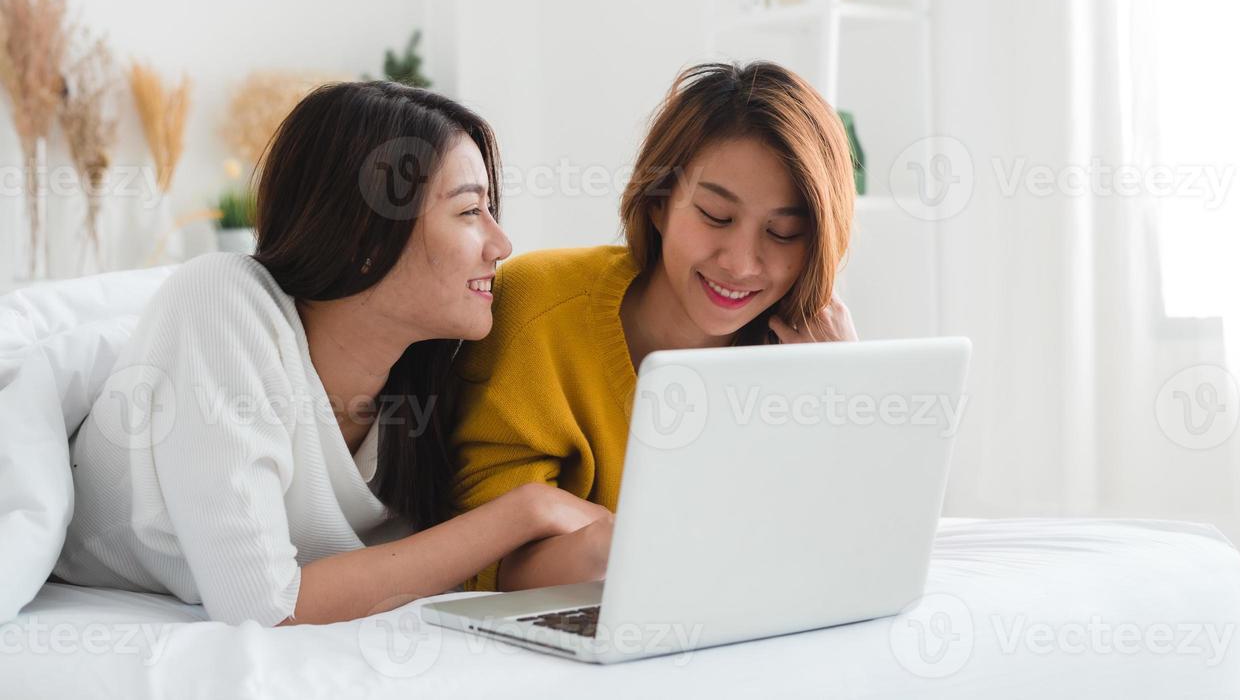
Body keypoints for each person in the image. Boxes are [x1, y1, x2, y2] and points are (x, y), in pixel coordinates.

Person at [55, 81, 607, 625]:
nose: (501, 245)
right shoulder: (219, 301)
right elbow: (265, 607)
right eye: (468, 212)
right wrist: (525, 512)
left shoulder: (426, 372)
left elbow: (418, 563)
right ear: (366, 239)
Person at [452, 61, 858, 593]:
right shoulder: (538, 308)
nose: (741, 264)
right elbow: (487, 568)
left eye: (783, 233)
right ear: (659, 203)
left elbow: (848, 547)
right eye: (715, 215)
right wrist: (625, 541)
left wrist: (845, 396)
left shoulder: (812, 349)